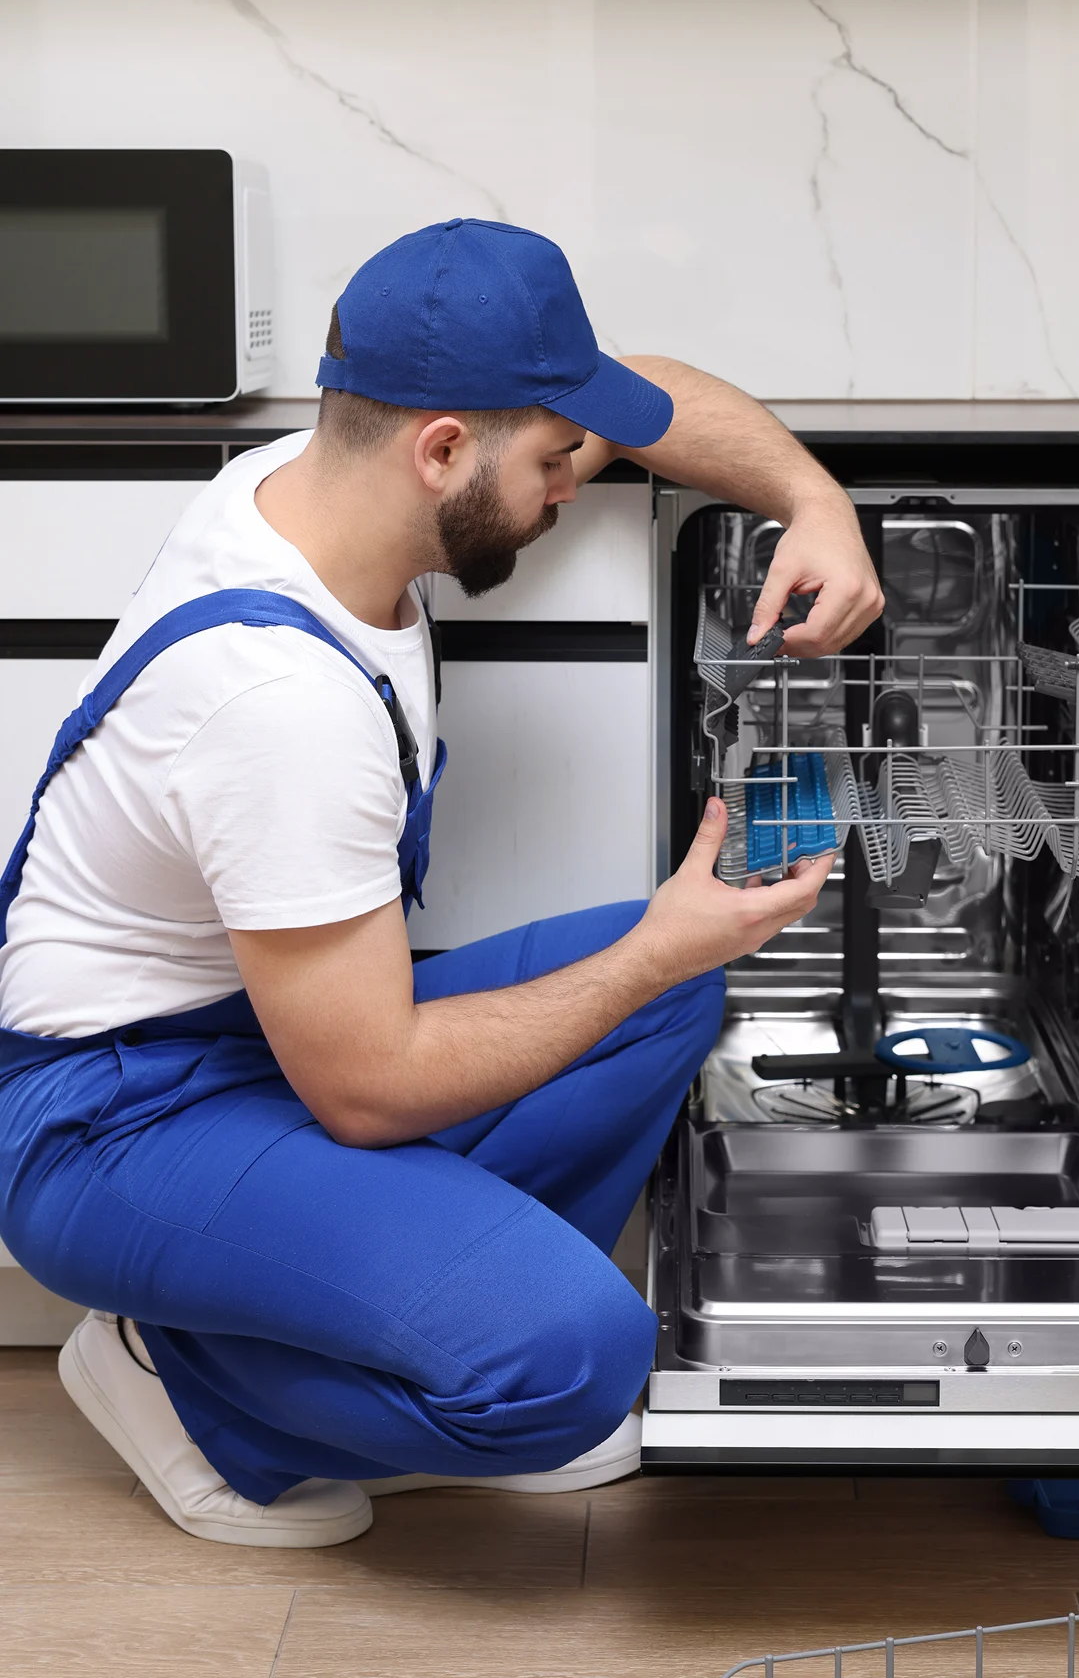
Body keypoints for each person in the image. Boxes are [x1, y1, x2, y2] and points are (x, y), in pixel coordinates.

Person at [0, 219, 881, 1547]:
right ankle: (187, 1385)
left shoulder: (311, 478)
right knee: (578, 1363)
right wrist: (663, 940)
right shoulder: (277, 705)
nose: (575, 480)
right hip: (111, 1118)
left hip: (254, 1036)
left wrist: (816, 502)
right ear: (443, 451)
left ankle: (416, 1317)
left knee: (670, 995)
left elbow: (644, 393)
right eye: (552, 460)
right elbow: (367, 1091)